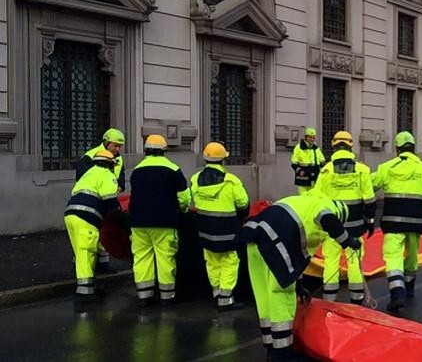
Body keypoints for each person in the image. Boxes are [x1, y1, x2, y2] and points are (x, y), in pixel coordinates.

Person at [237, 193, 361, 361]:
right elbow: (328, 220)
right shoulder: (326, 207)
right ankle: (282, 354)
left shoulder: (303, 203)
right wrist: (348, 241)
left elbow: (296, 257)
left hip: (254, 239)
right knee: (282, 295)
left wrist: (299, 284)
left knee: (264, 297)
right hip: (274, 242)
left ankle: (271, 349)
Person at [372, 131, 422, 312]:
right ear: (413, 148)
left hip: (393, 222)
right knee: (412, 256)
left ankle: (397, 294)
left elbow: (369, 187)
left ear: (397, 149)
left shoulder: (387, 167)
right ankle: (410, 287)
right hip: (416, 222)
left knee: (393, 257)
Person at [314, 131, 377, 305]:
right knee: (354, 261)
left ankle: (329, 302)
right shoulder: (362, 170)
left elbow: (317, 199)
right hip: (355, 227)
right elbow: (370, 201)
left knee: (331, 261)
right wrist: (370, 221)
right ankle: (357, 300)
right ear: (350, 146)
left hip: (332, 228)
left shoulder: (326, 171)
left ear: (334, 146)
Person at [128, 135, 191, 307]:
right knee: (165, 257)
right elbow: (184, 197)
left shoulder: (137, 170)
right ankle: (167, 295)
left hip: (138, 222)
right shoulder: (173, 169)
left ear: (146, 150)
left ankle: (144, 295)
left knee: (141, 257)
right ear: (164, 151)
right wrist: (183, 210)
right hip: (165, 220)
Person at [190, 142, 250, 311]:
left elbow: (191, 199)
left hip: (204, 229)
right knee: (230, 261)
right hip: (227, 230)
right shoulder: (231, 181)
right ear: (223, 160)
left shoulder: (195, 179)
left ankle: (217, 293)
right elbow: (243, 203)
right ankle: (225, 298)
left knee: (212, 261)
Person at [65, 149, 121, 302]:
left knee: (81, 252)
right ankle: (84, 291)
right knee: (87, 252)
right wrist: (120, 214)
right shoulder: (107, 175)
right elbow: (109, 198)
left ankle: (88, 286)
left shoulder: (87, 174)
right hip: (86, 216)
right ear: (110, 164)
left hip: (70, 214)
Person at [77, 128, 127, 273]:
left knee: (105, 231)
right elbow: (82, 179)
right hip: (92, 202)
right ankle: (85, 268)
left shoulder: (119, 158)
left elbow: (121, 178)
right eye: (115, 145)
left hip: (107, 200)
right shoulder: (90, 157)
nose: (117, 149)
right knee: (88, 237)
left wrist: (118, 188)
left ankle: (103, 264)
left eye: (119, 146)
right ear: (105, 143)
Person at [291, 127, 326, 195]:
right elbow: (294, 163)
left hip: (314, 176)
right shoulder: (299, 148)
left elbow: (322, 162)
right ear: (305, 137)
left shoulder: (316, 149)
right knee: (303, 196)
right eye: (310, 137)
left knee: (313, 196)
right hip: (303, 177)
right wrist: (299, 171)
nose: (312, 139)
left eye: (313, 138)